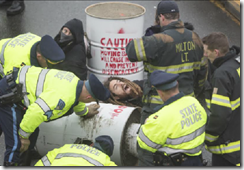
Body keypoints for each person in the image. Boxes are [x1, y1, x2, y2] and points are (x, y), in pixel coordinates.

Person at [126, 0, 207, 166]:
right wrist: (195, 93)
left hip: (157, 105)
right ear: (178, 16)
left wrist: (152, 34)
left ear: (161, 17)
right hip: (186, 101)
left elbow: (131, 50)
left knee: (147, 147)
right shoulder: (195, 38)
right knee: (181, 142)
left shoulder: (157, 40)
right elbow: (202, 73)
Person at [0, 65, 110, 166]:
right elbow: (35, 113)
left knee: (33, 132)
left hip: (17, 85)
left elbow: (77, 100)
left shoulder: (74, 80)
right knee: (16, 144)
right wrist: (23, 137)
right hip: (10, 94)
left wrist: (84, 112)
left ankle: (23, 163)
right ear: (88, 98)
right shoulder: (63, 98)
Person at [137, 70, 207, 166]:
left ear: (160, 92)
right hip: (197, 160)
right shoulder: (193, 102)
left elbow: (144, 143)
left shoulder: (161, 117)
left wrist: (146, 123)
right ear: (177, 84)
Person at [202, 32, 240, 166]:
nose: (205, 55)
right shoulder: (237, 64)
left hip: (227, 150)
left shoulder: (222, 75)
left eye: (207, 52)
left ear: (216, 52)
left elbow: (220, 116)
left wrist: (208, 138)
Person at [0, 33, 65, 77]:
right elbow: (7, 83)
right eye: (50, 63)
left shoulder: (40, 42)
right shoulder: (18, 64)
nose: (52, 66)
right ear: (39, 56)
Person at [35, 135, 117, 166]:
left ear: (92, 144)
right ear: (107, 154)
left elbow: (42, 164)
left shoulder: (66, 147)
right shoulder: (105, 160)